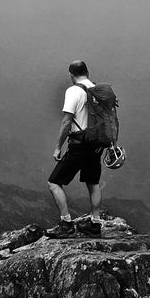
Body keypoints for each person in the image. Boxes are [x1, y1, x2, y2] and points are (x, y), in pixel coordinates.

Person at [46, 60, 104, 237]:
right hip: (96, 144)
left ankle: (66, 224)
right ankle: (95, 224)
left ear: (71, 74)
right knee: (93, 183)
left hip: (79, 144)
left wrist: (58, 147)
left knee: (54, 182)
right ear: (87, 71)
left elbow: (66, 121)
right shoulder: (97, 89)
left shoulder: (74, 91)